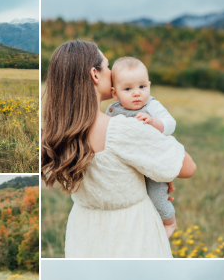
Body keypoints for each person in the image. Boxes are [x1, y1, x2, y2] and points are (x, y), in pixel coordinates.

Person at [41, 39, 195, 258]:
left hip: (83, 236)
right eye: (108, 65)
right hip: (132, 234)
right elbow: (188, 167)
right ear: (95, 74)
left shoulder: (56, 134)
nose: (112, 71)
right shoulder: (123, 129)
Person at [105, 56, 180, 237]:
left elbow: (171, 124)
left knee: (157, 197)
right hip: (130, 167)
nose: (137, 93)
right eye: (128, 89)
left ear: (149, 85)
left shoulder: (152, 105)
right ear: (115, 93)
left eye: (142, 87)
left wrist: (154, 122)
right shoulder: (112, 111)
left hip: (153, 163)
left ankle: (170, 223)